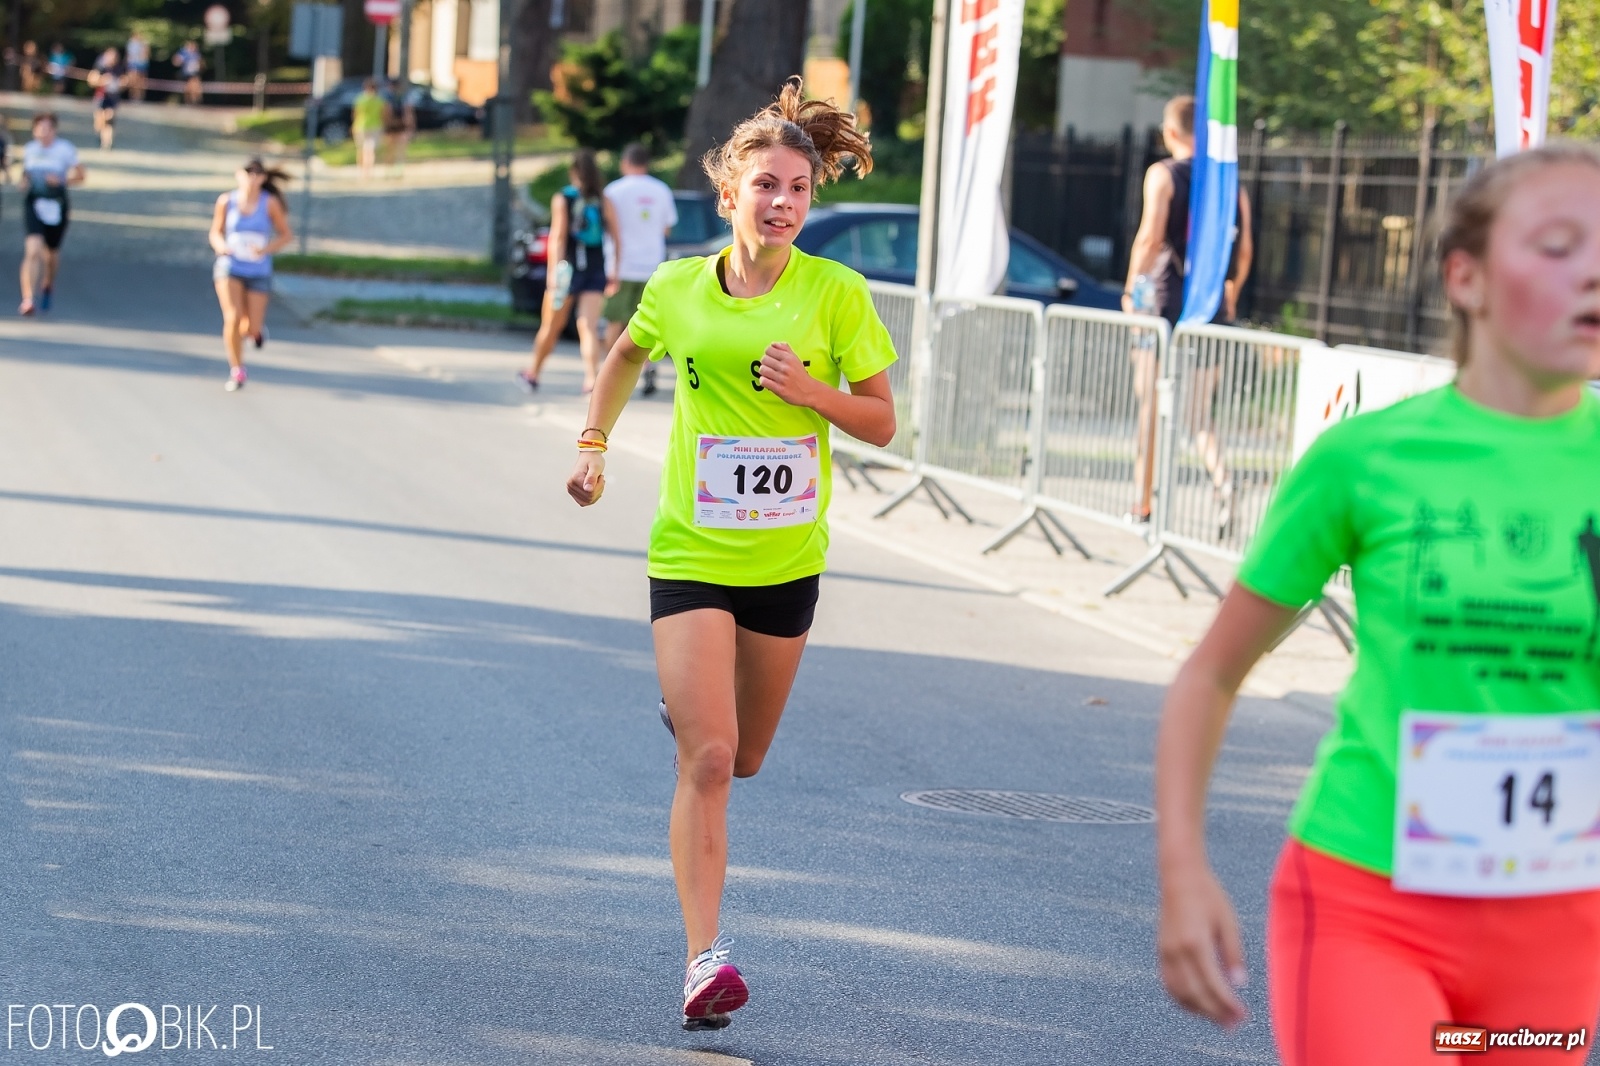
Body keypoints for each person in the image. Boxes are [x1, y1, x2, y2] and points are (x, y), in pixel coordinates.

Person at [1154, 142, 1600, 1065]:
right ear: (1466, 278)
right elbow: (1212, 674)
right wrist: (1183, 870)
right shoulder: (1365, 460)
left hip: (1560, 920)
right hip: (1370, 898)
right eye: (1558, 245)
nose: (1592, 272)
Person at [564, 78, 895, 1031]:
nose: (782, 202)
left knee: (744, 756)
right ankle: (703, 960)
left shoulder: (836, 294)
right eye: (765, 185)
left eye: (798, 188)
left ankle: (695, 704)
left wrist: (812, 393)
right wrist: (592, 444)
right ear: (728, 194)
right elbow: (625, 355)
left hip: (785, 563)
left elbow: (881, 421)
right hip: (693, 552)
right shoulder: (676, 288)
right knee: (706, 759)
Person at [1122, 95, 1253, 530]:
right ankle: (1224, 483)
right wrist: (1231, 290)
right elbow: (1245, 248)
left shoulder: (1164, 174)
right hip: (1211, 306)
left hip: (1166, 303)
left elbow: (1150, 238)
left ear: (1171, 132)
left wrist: (1131, 288)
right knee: (1198, 414)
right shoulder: (1228, 183)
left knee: (1150, 407)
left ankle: (1144, 503)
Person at [519, 149, 620, 394]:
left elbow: (558, 237)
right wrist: (614, 271)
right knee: (588, 327)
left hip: (567, 270)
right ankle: (591, 379)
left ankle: (533, 373)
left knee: (551, 326)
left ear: (573, 171)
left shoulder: (564, 198)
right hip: (595, 270)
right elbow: (616, 238)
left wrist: (553, 273)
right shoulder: (603, 199)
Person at [208, 158, 294, 391]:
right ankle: (237, 369)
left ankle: (255, 332)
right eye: (248, 172)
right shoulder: (226, 201)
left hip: (258, 269)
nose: (252, 177)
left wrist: (265, 250)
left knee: (250, 327)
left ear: (263, 178)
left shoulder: (269, 203)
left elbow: (286, 235)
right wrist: (221, 246)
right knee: (233, 317)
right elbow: (215, 232)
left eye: (257, 173)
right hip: (230, 266)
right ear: (239, 174)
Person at [602, 142, 677, 397]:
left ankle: (612, 371)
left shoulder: (613, 191)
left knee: (615, 320)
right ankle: (650, 367)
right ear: (647, 164)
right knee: (650, 324)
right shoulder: (661, 190)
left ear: (625, 163)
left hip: (621, 266)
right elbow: (667, 228)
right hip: (653, 267)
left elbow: (607, 228)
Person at [18, 112, 84, 316]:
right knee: (33, 250)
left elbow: (81, 175)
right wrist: (24, 182)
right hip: (34, 202)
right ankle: (28, 299)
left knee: (51, 253)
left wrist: (61, 181)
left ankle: (48, 282)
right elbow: (26, 173)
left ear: (54, 130)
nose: (43, 132)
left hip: (57, 204)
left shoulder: (65, 149)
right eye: (40, 128)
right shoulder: (30, 149)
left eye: (47, 129)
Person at [351, 78, 385, 181]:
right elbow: (383, 114)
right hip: (375, 125)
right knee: (371, 150)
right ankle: (369, 171)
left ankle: (361, 171)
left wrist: (353, 125)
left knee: (361, 149)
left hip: (360, 126)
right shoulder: (379, 100)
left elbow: (355, 113)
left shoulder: (360, 99)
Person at [90, 47, 124, 151]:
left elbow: (125, 80)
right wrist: (102, 80)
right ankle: (99, 135)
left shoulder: (119, 68)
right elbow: (91, 80)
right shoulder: (100, 67)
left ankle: (107, 143)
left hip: (113, 97)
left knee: (109, 119)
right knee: (100, 121)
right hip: (101, 96)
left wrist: (121, 83)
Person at [382, 79, 416, 177]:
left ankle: (388, 170)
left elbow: (385, 111)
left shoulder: (386, 97)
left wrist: (385, 123)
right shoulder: (403, 97)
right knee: (401, 149)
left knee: (389, 149)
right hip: (401, 124)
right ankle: (399, 170)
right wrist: (411, 125)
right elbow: (408, 111)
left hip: (390, 125)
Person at [125, 31, 149, 102]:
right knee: (133, 80)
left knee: (140, 82)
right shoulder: (131, 43)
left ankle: (139, 97)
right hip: (133, 64)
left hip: (141, 64)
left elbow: (146, 55)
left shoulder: (144, 43)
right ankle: (133, 96)